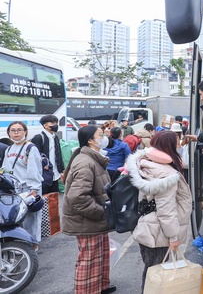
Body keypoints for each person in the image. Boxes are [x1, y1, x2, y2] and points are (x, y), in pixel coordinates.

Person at [125, 131, 192, 292]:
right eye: (176, 141)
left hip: (146, 225)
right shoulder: (166, 174)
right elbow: (166, 209)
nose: (179, 143)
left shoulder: (145, 163)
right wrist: (173, 236)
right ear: (168, 146)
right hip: (158, 231)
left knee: (150, 270)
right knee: (155, 273)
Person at [62, 125, 115, 294]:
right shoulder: (85, 162)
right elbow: (77, 197)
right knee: (89, 259)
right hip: (87, 219)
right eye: (101, 135)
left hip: (94, 218)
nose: (105, 137)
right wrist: (101, 212)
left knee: (101, 255)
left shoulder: (92, 157)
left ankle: (100, 287)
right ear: (91, 140)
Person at [1, 121, 43, 243]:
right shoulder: (9, 148)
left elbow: (34, 170)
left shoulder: (30, 148)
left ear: (25, 132)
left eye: (19, 130)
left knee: (31, 220)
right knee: (18, 218)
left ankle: (33, 245)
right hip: (14, 190)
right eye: (13, 130)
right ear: (8, 133)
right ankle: (21, 244)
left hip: (28, 189)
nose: (16, 133)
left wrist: (34, 189)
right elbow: (5, 169)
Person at [31, 115, 65, 194]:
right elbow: (34, 156)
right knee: (44, 198)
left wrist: (61, 171)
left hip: (55, 174)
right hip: (43, 175)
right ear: (45, 125)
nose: (55, 125)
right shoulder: (39, 138)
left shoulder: (55, 137)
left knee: (54, 198)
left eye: (56, 123)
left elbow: (58, 155)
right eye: (53, 123)